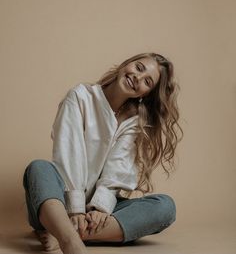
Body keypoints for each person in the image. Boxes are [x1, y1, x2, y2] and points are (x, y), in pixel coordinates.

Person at [23, 52, 183, 254]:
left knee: (165, 207)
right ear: (127, 64)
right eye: (139, 68)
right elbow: (70, 152)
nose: (137, 78)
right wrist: (75, 209)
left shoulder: (134, 122)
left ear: (145, 94)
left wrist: (101, 208)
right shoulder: (80, 96)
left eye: (147, 81)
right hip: (58, 202)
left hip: (96, 212)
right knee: (38, 168)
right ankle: (71, 242)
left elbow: (119, 168)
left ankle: (65, 233)